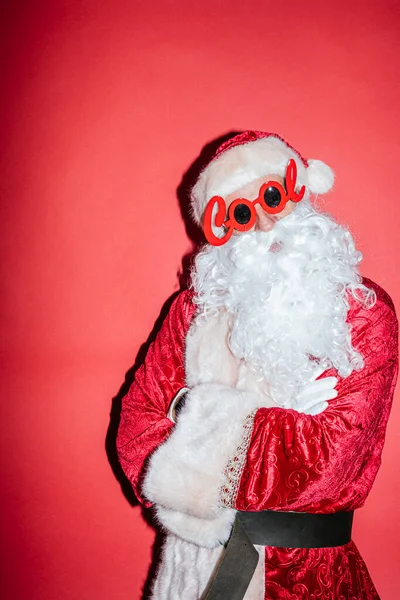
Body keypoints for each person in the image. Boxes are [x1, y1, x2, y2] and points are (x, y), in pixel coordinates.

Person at [116, 131, 398, 599]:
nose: (265, 224)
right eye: (240, 213)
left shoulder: (362, 311)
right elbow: (135, 441)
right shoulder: (192, 310)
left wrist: (184, 415)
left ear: (300, 188)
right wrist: (263, 421)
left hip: (306, 575)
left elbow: (326, 467)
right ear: (219, 230)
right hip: (193, 570)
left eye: (272, 196)